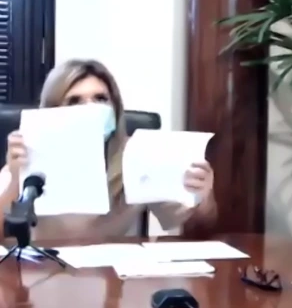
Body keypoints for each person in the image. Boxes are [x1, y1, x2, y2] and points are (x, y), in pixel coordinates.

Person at [0, 59, 217, 240]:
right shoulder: (30, 153)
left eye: (101, 99)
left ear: (115, 109)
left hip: (112, 281)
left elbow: (198, 230)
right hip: (41, 275)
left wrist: (202, 198)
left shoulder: (137, 154)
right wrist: (15, 179)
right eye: (74, 101)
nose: (91, 109)